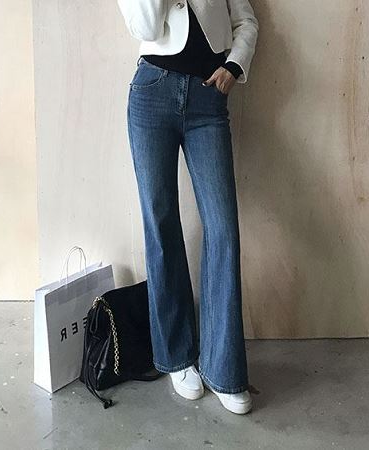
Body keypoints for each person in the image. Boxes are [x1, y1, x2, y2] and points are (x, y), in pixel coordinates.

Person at [117, 0, 259, 415]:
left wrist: (234, 64)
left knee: (223, 229)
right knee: (161, 225)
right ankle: (177, 357)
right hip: (152, 93)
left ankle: (224, 369)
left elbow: (246, 21)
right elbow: (145, 27)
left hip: (207, 98)